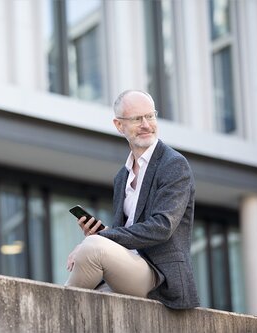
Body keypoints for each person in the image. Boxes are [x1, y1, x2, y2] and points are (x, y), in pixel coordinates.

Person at [65, 90, 200, 310]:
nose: (146, 124)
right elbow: (123, 231)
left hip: (159, 276)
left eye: (150, 116)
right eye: (137, 119)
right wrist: (102, 234)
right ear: (119, 126)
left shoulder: (173, 164)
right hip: (127, 267)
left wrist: (102, 238)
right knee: (88, 300)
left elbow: (162, 227)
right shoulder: (122, 176)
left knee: (92, 248)